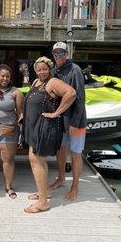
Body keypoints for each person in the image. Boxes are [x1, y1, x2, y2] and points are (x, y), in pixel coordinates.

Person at [23, 57, 76, 213]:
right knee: (37, 160)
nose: (42, 72)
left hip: (44, 126)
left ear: (50, 69)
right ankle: (45, 192)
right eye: (39, 69)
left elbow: (71, 93)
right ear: (35, 70)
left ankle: (43, 202)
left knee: (36, 160)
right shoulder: (35, 82)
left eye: (44, 69)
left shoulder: (52, 82)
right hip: (34, 126)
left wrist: (57, 113)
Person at [50, 42, 87, 201]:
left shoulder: (75, 70)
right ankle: (61, 177)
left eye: (61, 53)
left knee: (76, 154)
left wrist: (75, 122)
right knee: (60, 150)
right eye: (56, 53)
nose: (58, 56)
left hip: (74, 121)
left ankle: (75, 187)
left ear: (67, 53)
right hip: (60, 120)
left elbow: (80, 98)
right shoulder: (54, 71)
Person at [0, 64, 24, 199]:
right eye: (2, 76)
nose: (5, 78)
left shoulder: (16, 92)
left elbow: (20, 114)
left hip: (9, 129)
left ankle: (8, 186)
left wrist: (22, 133)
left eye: (7, 76)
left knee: (8, 159)